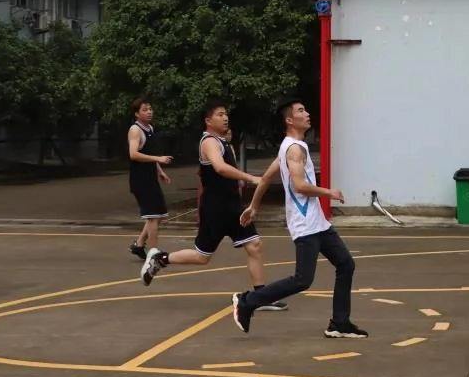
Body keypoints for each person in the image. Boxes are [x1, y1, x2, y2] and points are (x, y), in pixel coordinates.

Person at [231, 98, 367, 338]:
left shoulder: (288, 146)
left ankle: (339, 323)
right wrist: (329, 192)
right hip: (305, 225)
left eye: (306, 109)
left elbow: (264, 179)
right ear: (289, 120)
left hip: (318, 224)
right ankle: (248, 301)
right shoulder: (294, 148)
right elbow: (299, 185)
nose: (307, 114)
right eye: (301, 111)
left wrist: (254, 206)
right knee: (302, 280)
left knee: (346, 263)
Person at [140, 101, 288, 311]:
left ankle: (260, 297)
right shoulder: (209, 142)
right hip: (215, 208)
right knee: (202, 257)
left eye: (226, 114)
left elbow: (229, 167)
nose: (225, 117)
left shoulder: (224, 141)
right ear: (208, 120)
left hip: (233, 206)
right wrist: (250, 178)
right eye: (220, 114)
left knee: (254, 245)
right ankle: (160, 258)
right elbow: (219, 168)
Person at [127, 98, 172, 260]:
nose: (149, 112)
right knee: (153, 217)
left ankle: (139, 245)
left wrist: (160, 170)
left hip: (150, 178)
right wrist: (158, 159)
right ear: (137, 114)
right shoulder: (135, 130)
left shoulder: (150, 128)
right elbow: (133, 154)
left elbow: (149, 155)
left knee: (157, 215)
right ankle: (154, 253)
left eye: (150, 108)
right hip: (140, 180)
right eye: (145, 109)